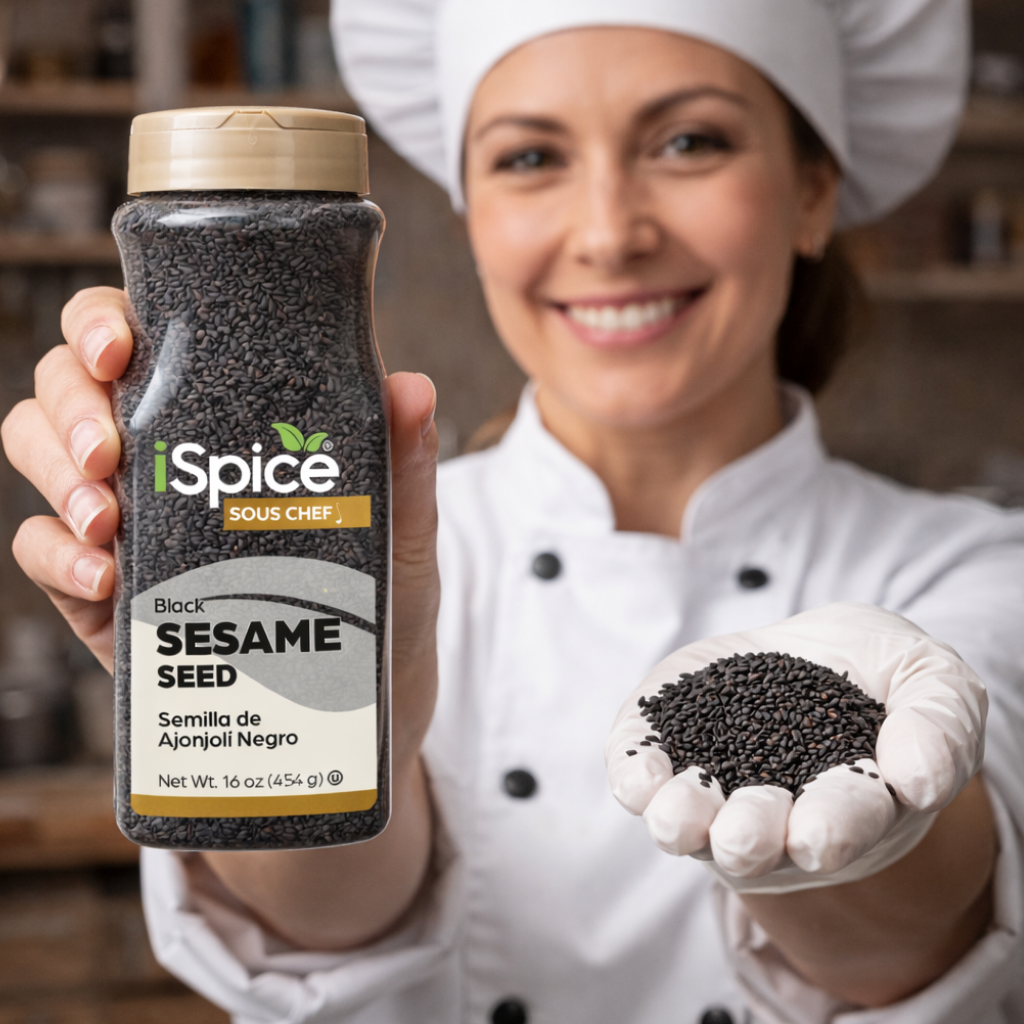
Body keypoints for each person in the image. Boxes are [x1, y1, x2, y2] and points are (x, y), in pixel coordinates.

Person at [4, 1, 1024, 1022]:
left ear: (812, 191)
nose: (609, 234)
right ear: (467, 213)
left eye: (688, 141)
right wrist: (323, 724)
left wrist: (875, 836)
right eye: (530, 157)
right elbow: (333, 929)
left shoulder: (967, 573)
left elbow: (932, 932)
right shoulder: (354, 541)